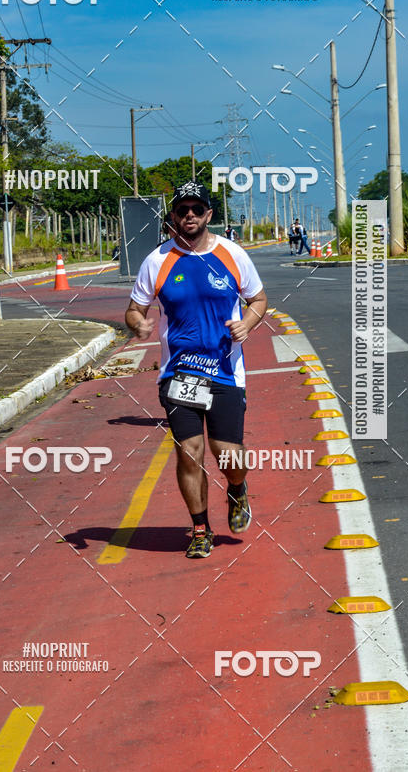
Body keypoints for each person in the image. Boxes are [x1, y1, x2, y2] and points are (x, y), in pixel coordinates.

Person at [125, 181, 268, 559]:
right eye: (181, 209)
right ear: (173, 215)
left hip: (225, 373)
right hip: (179, 374)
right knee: (189, 451)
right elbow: (135, 308)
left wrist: (248, 323)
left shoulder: (233, 254)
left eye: (196, 208)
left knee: (228, 456)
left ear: (208, 214)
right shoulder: (156, 261)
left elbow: (258, 298)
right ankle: (200, 528)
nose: (189, 214)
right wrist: (137, 323)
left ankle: (237, 489)